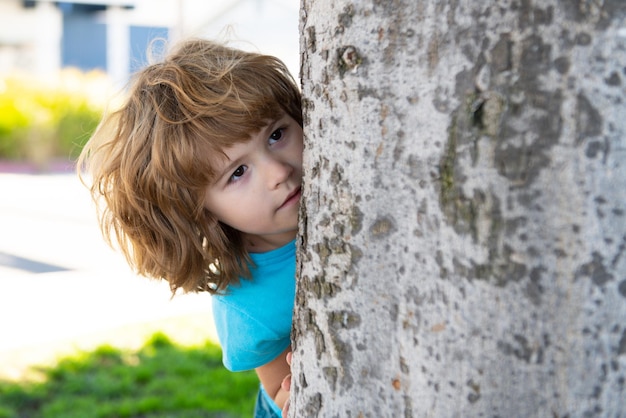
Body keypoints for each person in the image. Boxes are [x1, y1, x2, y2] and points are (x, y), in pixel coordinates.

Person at [76, 37, 301, 418]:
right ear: (202, 211)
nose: (279, 172)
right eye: (238, 173)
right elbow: (289, 396)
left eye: (276, 135)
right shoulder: (249, 309)